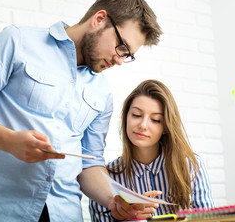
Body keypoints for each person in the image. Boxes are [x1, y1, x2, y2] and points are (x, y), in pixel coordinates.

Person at [0, 0, 162, 222]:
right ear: (99, 19)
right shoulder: (16, 41)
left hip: (65, 214)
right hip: (1, 210)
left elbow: (90, 163)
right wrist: (9, 142)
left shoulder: (102, 91)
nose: (120, 60)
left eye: (128, 55)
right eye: (122, 47)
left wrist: (114, 199)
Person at [89, 80, 215, 222]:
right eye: (136, 115)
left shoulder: (191, 166)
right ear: (126, 118)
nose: (143, 125)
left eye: (155, 120)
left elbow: (208, 219)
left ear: (166, 127)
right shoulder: (105, 179)